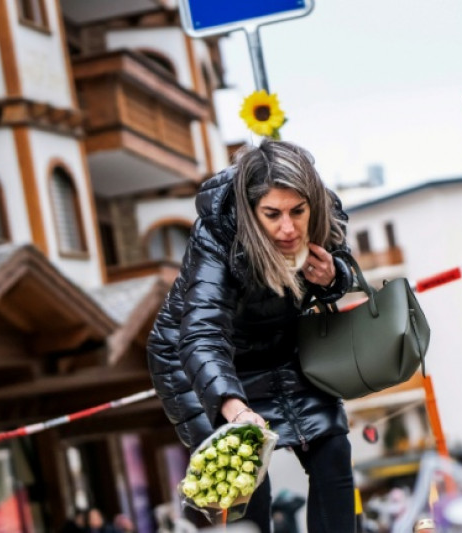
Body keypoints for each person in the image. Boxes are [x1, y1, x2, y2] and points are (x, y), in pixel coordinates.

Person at [147, 140, 357, 532]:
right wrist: (235, 409)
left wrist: (334, 276)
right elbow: (202, 333)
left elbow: (345, 267)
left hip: (279, 346)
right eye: (272, 214)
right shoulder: (218, 233)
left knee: (332, 449)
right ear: (250, 209)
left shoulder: (325, 214)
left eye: (298, 211)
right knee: (246, 480)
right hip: (197, 359)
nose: (288, 228)